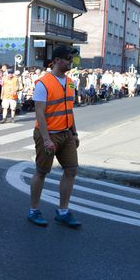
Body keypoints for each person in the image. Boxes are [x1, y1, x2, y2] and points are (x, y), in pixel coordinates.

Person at [28, 46, 81, 229]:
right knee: (41, 172)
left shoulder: (71, 82)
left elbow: (69, 109)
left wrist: (74, 133)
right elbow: (40, 114)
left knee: (71, 170)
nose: (70, 62)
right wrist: (46, 139)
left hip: (66, 134)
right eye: (67, 58)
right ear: (57, 60)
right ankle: (34, 210)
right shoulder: (43, 83)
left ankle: (63, 211)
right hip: (48, 135)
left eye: (71, 59)